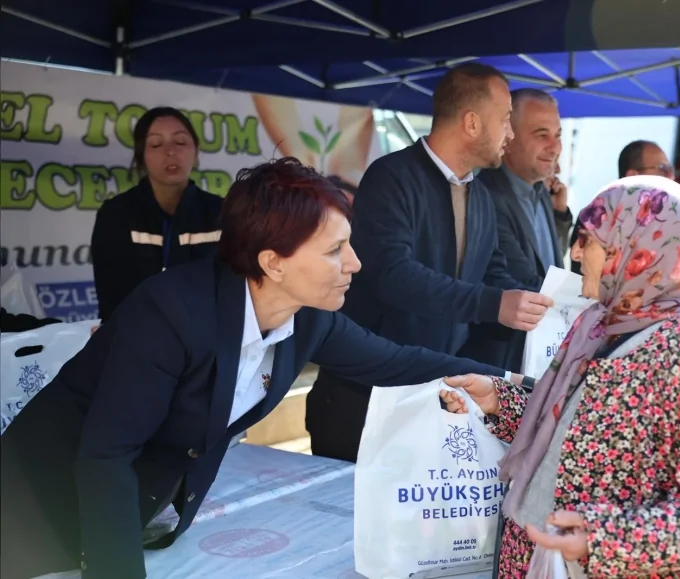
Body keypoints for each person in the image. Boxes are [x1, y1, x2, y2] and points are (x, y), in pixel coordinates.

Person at [0, 158, 519, 579]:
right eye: (336, 250)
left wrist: (516, 386)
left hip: (130, 511)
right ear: (273, 262)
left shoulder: (307, 318)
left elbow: (397, 361)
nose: (355, 263)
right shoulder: (170, 313)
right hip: (33, 507)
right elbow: (107, 456)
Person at [442, 176, 680, 577]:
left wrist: (601, 540)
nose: (575, 253)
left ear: (637, 250)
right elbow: (579, 427)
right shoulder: (599, 325)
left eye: (588, 241)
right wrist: (498, 400)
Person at [307, 63, 551, 463]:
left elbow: (493, 273)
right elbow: (392, 274)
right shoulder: (392, 177)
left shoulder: (481, 196)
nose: (510, 133)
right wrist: (493, 303)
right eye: (505, 119)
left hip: (436, 395)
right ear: (472, 123)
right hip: (364, 397)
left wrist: (542, 306)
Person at [462, 88, 570, 372]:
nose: (555, 147)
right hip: (498, 365)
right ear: (509, 136)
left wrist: (560, 217)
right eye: (542, 135)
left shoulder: (542, 191)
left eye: (558, 135)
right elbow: (524, 282)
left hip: (537, 358)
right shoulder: (486, 195)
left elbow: (548, 266)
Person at [90, 106, 222, 321]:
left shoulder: (222, 212)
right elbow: (112, 299)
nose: (170, 152)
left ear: (196, 151)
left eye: (180, 142)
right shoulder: (116, 214)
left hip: (208, 335)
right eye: (156, 144)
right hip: (138, 335)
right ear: (141, 155)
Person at [569, 139, 674, 274]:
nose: (671, 176)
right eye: (662, 169)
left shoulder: (672, 219)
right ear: (632, 176)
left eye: (670, 169)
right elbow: (581, 279)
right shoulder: (596, 216)